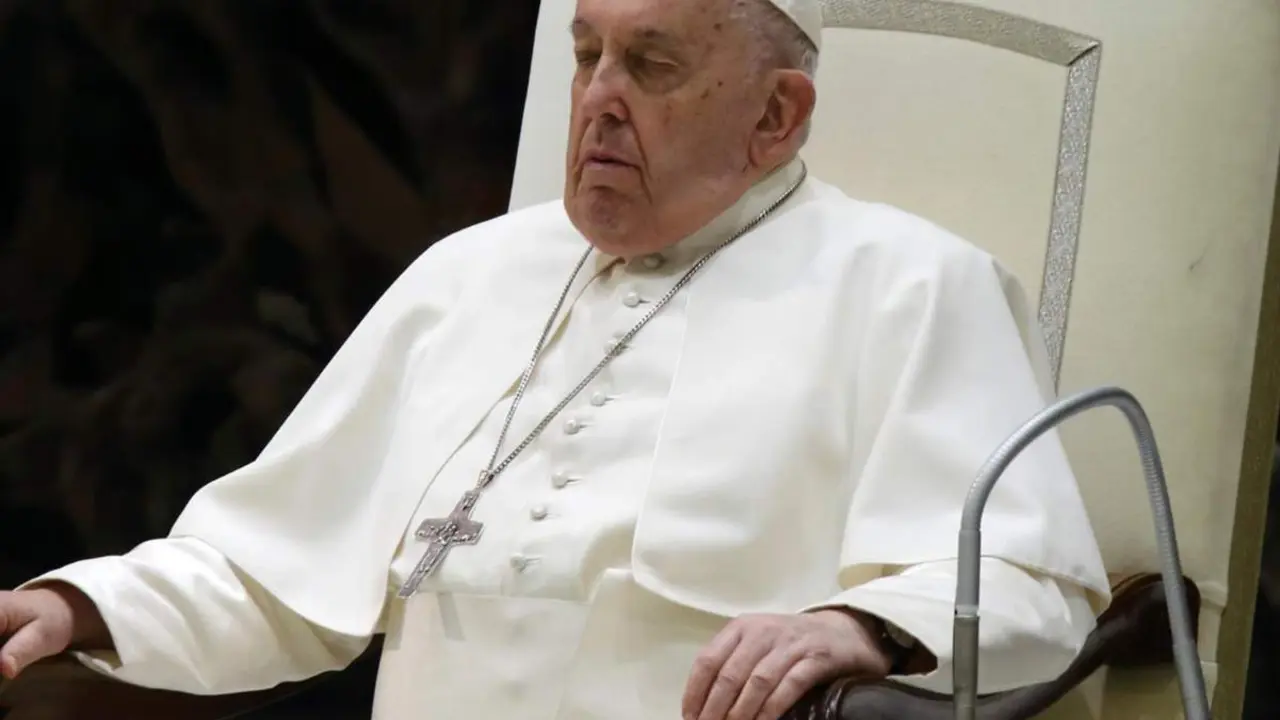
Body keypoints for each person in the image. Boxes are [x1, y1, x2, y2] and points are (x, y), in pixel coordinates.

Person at [0, 0, 1110, 717]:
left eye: (651, 65)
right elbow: (273, 570)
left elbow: (1027, 589)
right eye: (587, 57)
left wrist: (853, 628)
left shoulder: (915, 288)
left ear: (777, 116)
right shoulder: (465, 276)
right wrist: (76, 605)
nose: (599, 101)